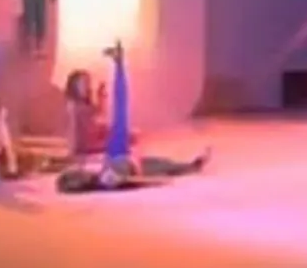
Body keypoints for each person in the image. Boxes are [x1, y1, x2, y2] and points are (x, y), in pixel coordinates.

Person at [55, 43, 209, 193]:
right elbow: (79, 143)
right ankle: (187, 167)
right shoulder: (74, 108)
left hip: (110, 153)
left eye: (87, 83)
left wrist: (101, 98)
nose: (87, 87)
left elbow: (96, 115)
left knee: (146, 155)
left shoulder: (82, 107)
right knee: (147, 159)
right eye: (83, 84)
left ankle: (188, 167)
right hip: (108, 155)